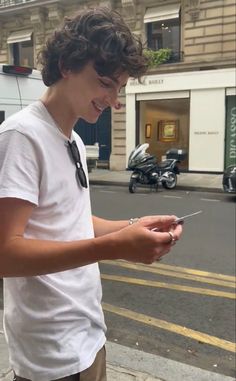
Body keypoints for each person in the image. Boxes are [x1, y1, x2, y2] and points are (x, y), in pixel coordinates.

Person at [0, 7, 183, 381]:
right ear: (67, 64)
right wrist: (114, 248)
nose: (113, 99)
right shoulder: (21, 137)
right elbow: (5, 254)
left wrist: (133, 227)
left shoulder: (75, 139)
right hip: (50, 356)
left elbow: (71, 219)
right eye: (104, 82)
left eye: (119, 88)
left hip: (87, 336)